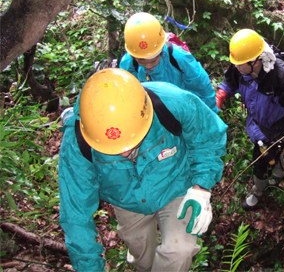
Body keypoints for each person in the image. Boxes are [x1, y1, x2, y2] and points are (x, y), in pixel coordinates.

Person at [58, 68, 227, 272]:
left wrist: (201, 187)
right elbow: (75, 214)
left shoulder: (170, 101)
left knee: (179, 251)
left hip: (175, 186)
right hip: (126, 200)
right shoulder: (77, 140)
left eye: (131, 140)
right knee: (143, 260)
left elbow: (208, 137)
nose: (125, 151)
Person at [215, 29, 284, 210]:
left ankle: (259, 189)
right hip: (256, 122)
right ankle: (280, 171)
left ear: (256, 61)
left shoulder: (282, 77)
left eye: (240, 64)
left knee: (260, 159)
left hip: (277, 128)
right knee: (270, 154)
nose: (236, 67)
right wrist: (221, 94)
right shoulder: (241, 67)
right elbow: (230, 81)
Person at [119, 12, 218, 113]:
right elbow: (126, 94)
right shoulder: (128, 64)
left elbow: (202, 87)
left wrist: (212, 116)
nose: (148, 66)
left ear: (161, 50)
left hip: (183, 109)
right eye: (141, 62)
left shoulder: (179, 58)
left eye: (153, 61)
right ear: (132, 56)